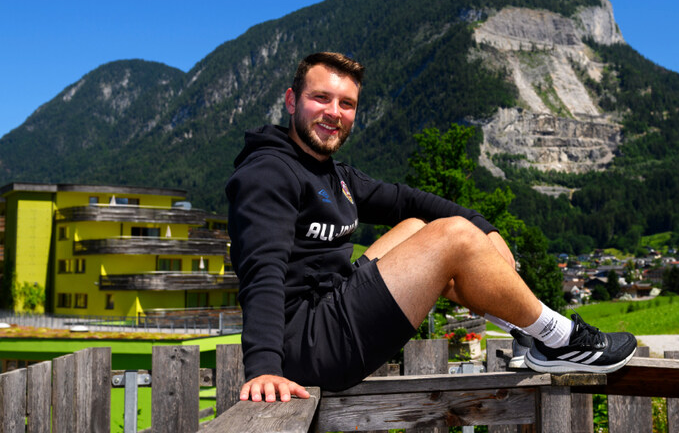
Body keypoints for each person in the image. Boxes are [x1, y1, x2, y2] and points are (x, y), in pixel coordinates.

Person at [226, 52, 637, 403]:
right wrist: (263, 367)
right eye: (321, 98)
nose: (334, 113)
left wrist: (486, 228)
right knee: (452, 236)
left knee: (418, 226)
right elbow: (262, 271)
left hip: (330, 308)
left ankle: (526, 333)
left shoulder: (333, 174)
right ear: (291, 101)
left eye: (347, 104)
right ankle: (562, 338)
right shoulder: (268, 173)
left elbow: (409, 200)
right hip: (306, 347)